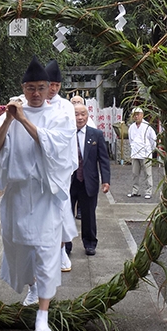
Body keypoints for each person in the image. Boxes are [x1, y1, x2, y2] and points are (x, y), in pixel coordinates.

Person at [0, 56, 76, 331]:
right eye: (30, 88)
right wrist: (8, 122)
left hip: (45, 195)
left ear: (50, 88)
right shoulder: (10, 114)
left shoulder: (60, 114)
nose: (35, 94)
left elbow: (57, 148)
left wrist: (23, 119)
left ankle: (43, 316)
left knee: (47, 250)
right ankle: (32, 287)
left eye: (40, 88)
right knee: (20, 248)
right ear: (23, 88)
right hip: (18, 194)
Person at [45, 59, 79, 271]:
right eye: (51, 84)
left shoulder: (66, 106)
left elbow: (67, 135)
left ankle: (61, 250)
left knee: (60, 208)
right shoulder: (34, 102)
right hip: (39, 166)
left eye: (57, 85)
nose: (53, 88)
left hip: (59, 166)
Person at [70, 104, 111, 256]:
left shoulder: (96, 134)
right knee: (66, 215)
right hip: (68, 181)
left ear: (88, 116)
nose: (79, 118)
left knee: (88, 215)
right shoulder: (65, 134)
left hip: (89, 181)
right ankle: (66, 245)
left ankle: (90, 243)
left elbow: (104, 160)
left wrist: (105, 180)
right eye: (76, 114)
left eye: (82, 114)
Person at [127, 107, 157, 199]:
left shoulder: (147, 126)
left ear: (142, 115)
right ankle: (135, 190)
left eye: (138, 114)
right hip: (135, 153)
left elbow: (153, 140)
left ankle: (148, 191)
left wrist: (150, 150)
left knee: (148, 173)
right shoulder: (131, 127)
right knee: (135, 173)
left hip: (145, 153)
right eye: (134, 115)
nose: (136, 116)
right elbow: (131, 140)